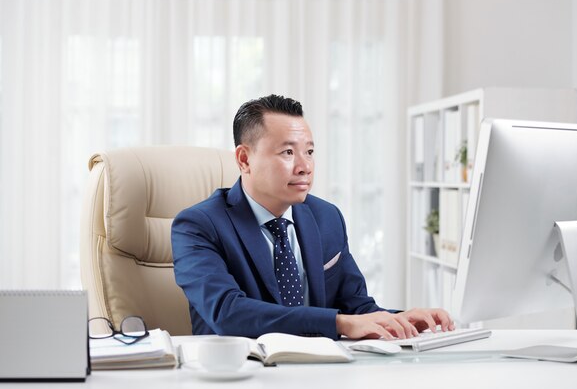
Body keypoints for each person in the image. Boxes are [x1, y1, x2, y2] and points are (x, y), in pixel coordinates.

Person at [172, 94, 455, 340]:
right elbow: (227, 313)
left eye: (309, 151)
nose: (305, 166)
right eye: (287, 152)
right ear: (244, 159)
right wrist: (339, 323)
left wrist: (401, 320)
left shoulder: (326, 217)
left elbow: (355, 307)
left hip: (321, 373)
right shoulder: (198, 225)